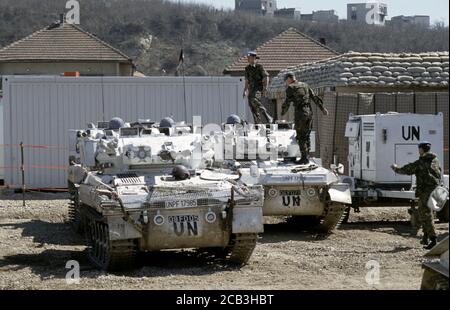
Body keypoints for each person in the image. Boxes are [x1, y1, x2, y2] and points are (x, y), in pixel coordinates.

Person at [391, 142, 442, 249]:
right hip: (435, 191)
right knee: (427, 213)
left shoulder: (421, 162)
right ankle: (426, 237)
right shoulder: (435, 160)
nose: (418, 151)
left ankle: (433, 239)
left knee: (426, 215)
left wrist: (395, 168)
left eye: (419, 149)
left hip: (425, 192)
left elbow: (407, 170)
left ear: (422, 150)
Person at [281, 72, 329, 164]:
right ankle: (307, 156)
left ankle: (304, 158)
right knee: (307, 135)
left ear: (289, 79)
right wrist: (323, 109)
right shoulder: (305, 85)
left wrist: (283, 112)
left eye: (285, 81)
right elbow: (315, 97)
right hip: (309, 112)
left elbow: (287, 102)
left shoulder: (291, 88)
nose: (285, 83)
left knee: (300, 136)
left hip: (300, 113)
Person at [243, 51, 273, 124]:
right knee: (252, 106)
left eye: (249, 57)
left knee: (254, 100)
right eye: (247, 58)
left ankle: (267, 116)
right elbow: (247, 80)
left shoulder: (259, 67)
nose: (248, 59)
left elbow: (266, 76)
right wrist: (245, 90)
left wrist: (265, 88)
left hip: (258, 89)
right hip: (251, 89)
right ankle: (257, 123)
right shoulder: (247, 68)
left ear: (253, 58)